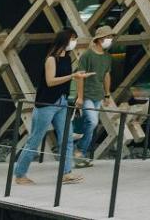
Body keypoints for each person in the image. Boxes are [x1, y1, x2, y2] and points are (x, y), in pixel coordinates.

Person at [14, 28, 92, 185]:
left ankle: (66, 173)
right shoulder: (51, 59)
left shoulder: (67, 58)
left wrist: (77, 80)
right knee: (35, 139)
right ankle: (20, 174)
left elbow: (65, 80)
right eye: (72, 39)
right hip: (46, 104)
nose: (74, 42)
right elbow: (50, 81)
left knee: (67, 138)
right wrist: (72, 76)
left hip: (62, 102)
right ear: (64, 40)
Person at [73, 27, 114, 167]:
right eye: (108, 37)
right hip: (87, 95)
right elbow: (80, 77)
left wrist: (107, 94)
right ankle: (79, 149)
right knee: (92, 122)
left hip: (98, 95)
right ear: (100, 39)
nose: (110, 40)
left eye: (111, 37)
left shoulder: (107, 57)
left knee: (89, 124)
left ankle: (80, 155)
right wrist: (80, 97)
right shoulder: (87, 56)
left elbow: (107, 75)